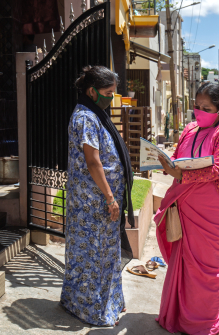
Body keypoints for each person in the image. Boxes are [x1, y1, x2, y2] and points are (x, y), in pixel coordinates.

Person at [155, 82, 219, 335]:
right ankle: (180, 318)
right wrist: (167, 165)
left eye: (207, 108)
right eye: (196, 106)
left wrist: (181, 176)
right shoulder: (190, 129)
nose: (199, 111)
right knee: (183, 262)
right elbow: (178, 159)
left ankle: (205, 325)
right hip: (185, 202)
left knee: (207, 267)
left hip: (213, 207)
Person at [60, 65, 134, 327]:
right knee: (92, 256)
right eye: (108, 92)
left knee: (104, 255)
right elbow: (93, 162)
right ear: (92, 91)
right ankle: (92, 310)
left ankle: (108, 302)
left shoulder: (95, 113)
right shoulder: (86, 118)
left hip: (99, 202)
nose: (111, 97)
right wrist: (110, 198)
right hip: (93, 203)